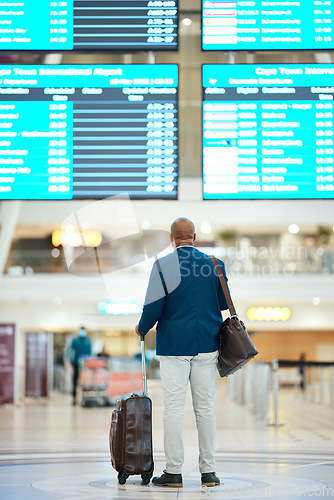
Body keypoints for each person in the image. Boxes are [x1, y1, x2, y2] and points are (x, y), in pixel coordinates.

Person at [135, 218, 229, 488]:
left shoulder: (163, 266)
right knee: (205, 409)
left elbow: (153, 307)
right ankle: (209, 472)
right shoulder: (214, 264)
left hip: (174, 346)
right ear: (195, 237)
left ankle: (174, 472)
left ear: (172, 238)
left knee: (173, 410)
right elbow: (223, 303)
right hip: (207, 345)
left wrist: (142, 329)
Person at [70, 327, 92, 405]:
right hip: (76, 363)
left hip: (85, 365)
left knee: (85, 382)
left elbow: (90, 353)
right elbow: (70, 350)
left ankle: (85, 398)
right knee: (75, 381)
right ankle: (74, 398)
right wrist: (70, 359)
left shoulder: (88, 341)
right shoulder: (75, 340)